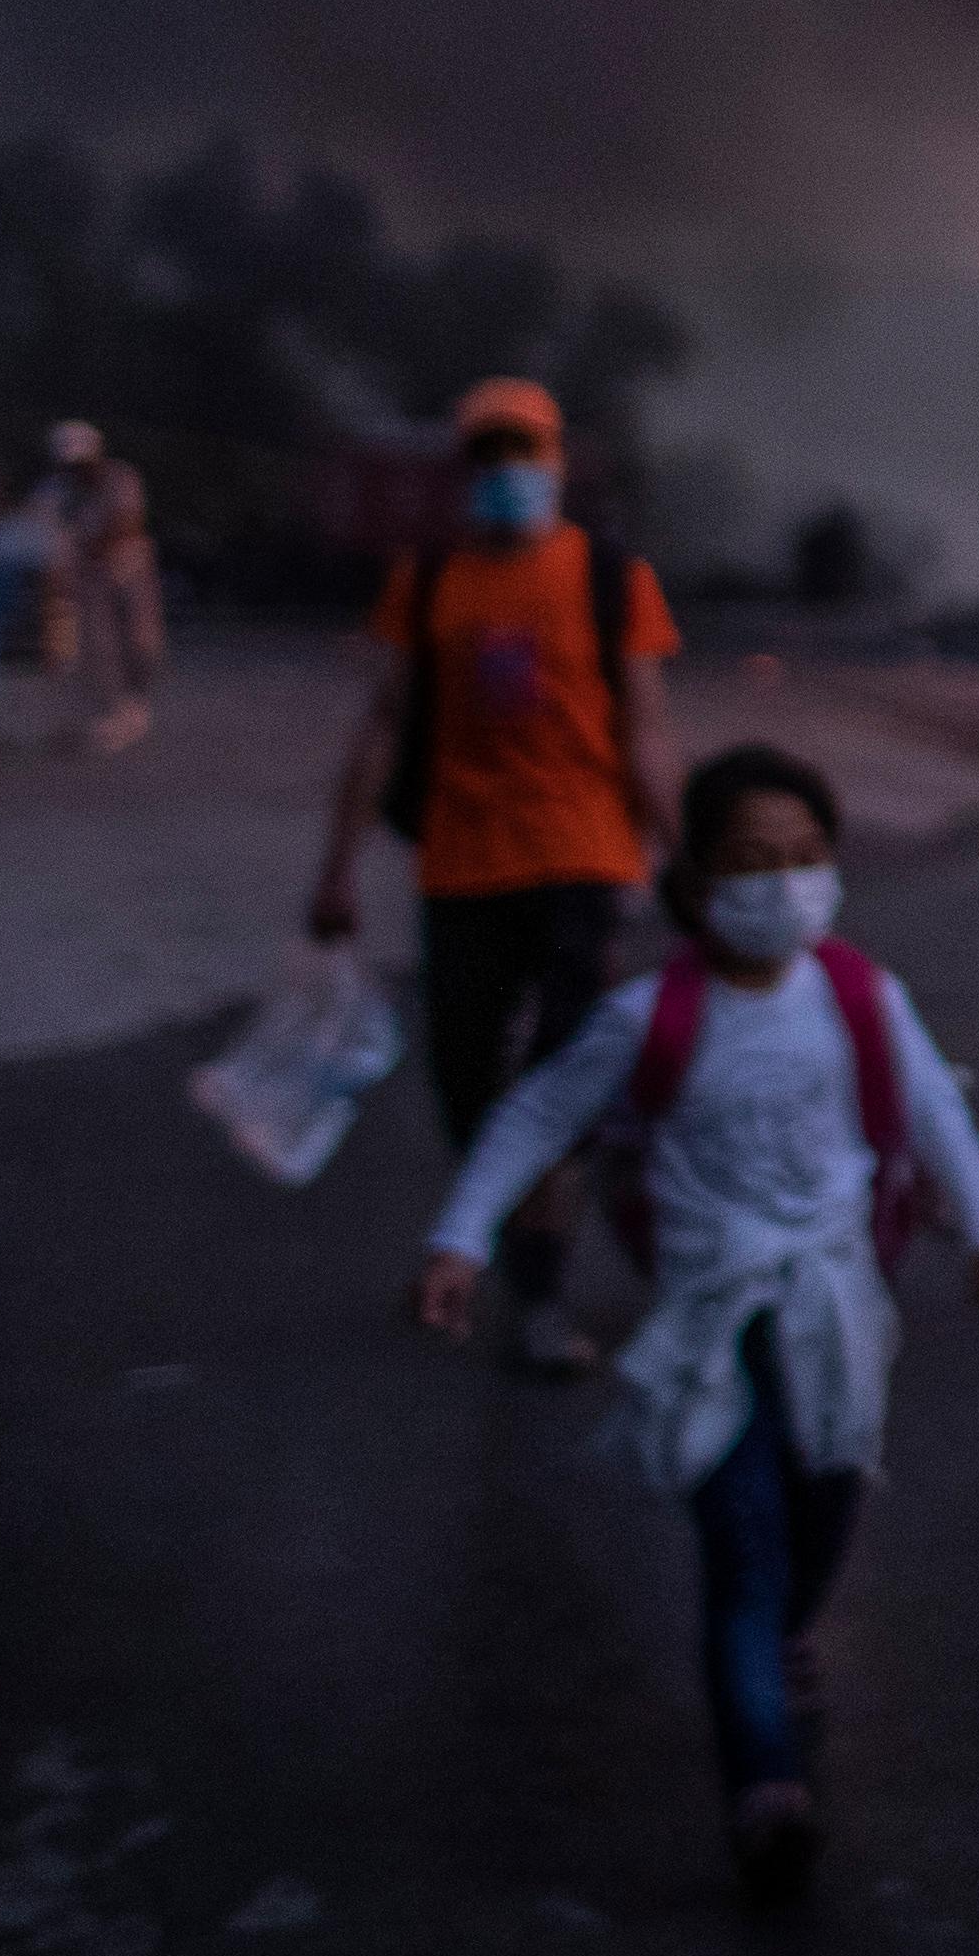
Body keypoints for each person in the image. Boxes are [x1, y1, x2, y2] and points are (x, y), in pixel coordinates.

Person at [412, 744, 979, 1900]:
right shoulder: (647, 1019)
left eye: (806, 858)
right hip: (713, 1325)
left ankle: (788, 1644)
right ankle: (764, 1787)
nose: (783, 884)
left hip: (839, 1312)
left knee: (827, 1504)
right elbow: (535, 1114)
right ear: (696, 884)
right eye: (753, 862)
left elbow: (933, 1110)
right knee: (743, 1542)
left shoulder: (860, 995)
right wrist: (459, 1238)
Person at [314, 378, 678, 1377]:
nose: (508, 470)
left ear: (557, 459)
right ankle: (504, 1237)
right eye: (488, 454)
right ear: (464, 471)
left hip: (580, 859)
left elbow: (644, 731)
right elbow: (385, 722)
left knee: (557, 1085)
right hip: (462, 865)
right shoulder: (430, 581)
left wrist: (688, 857)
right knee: (467, 1087)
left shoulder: (609, 577)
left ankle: (542, 1297)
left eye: (524, 450)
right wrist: (337, 868)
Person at [39, 420, 163, 751]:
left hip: (130, 570)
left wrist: (87, 543)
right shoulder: (53, 491)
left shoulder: (122, 477)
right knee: (100, 647)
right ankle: (111, 713)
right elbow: (47, 535)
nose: (77, 471)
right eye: (70, 465)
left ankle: (135, 704)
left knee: (144, 643)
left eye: (82, 463)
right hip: (88, 579)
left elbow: (128, 521)